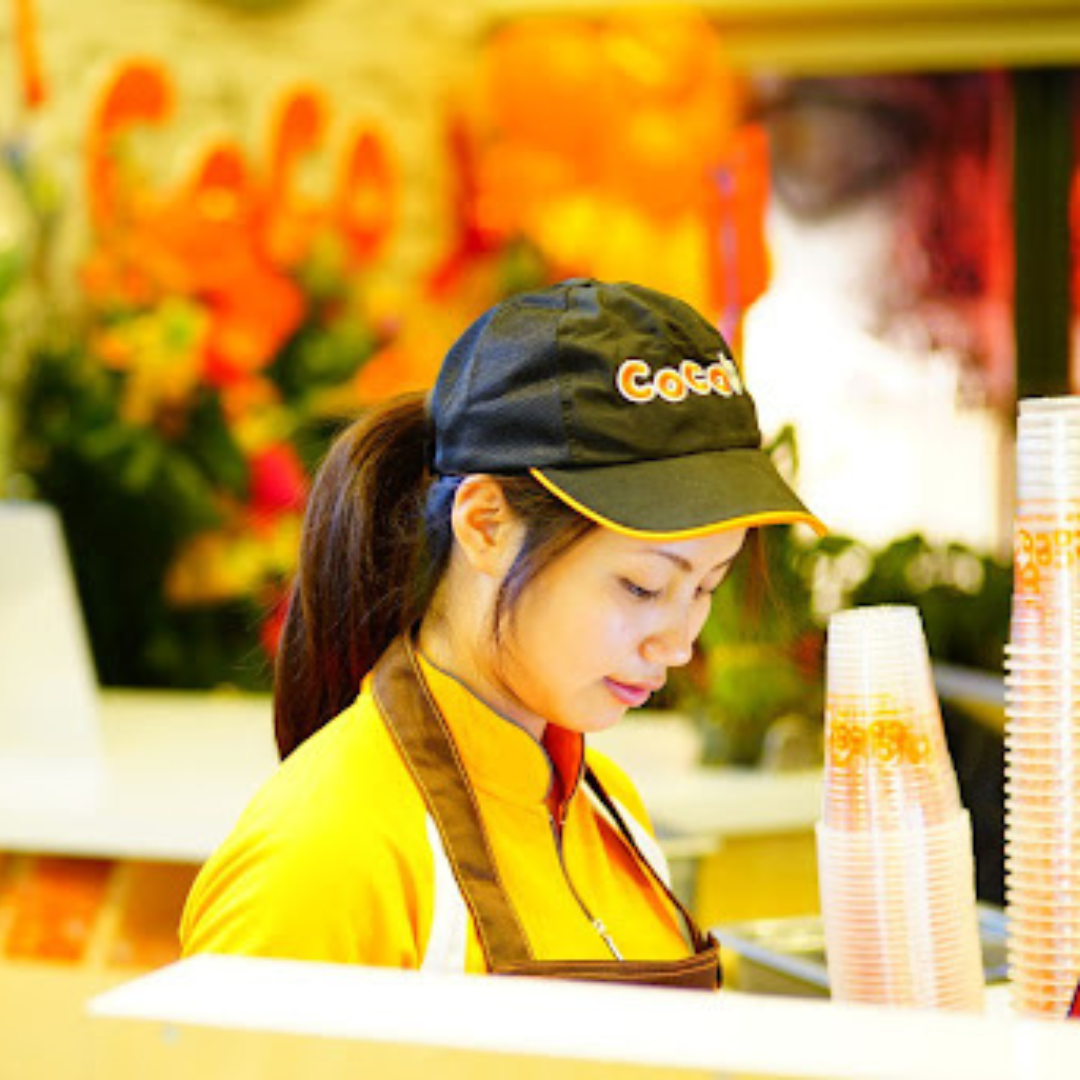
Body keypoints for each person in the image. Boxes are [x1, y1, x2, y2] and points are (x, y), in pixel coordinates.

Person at [180, 277, 824, 990]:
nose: (676, 644)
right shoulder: (327, 852)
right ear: (486, 525)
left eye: (706, 587)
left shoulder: (613, 814)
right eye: (641, 586)